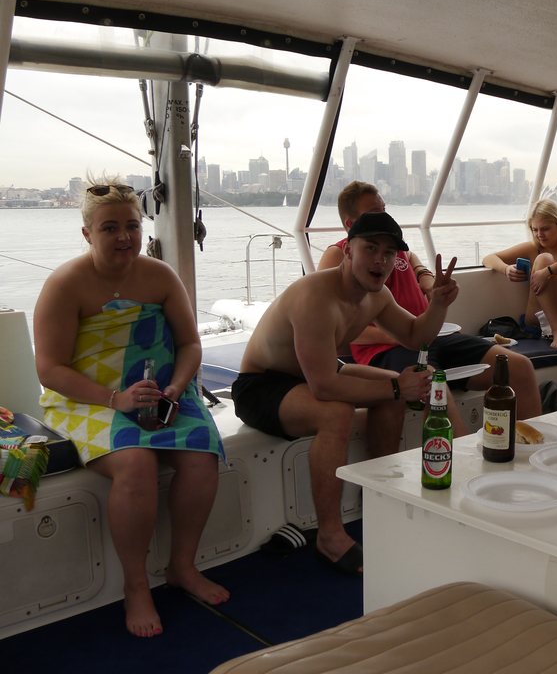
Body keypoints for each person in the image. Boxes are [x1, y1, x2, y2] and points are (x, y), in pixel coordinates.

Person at [34, 179, 227, 638]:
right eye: (109, 228)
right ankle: (136, 586)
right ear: (87, 234)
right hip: (88, 399)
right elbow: (50, 369)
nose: (124, 237)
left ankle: (182, 566)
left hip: (162, 391)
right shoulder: (65, 285)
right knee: (136, 463)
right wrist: (114, 399)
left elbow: (189, 344)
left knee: (203, 455)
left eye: (132, 226)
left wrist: (176, 388)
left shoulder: (160, 277)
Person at [233, 211, 456, 577]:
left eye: (389, 253)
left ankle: (379, 496)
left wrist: (439, 305)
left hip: (312, 375)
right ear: (348, 250)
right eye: (371, 248)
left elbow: (416, 336)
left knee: (390, 391)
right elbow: (323, 387)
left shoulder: (377, 296)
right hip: (261, 384)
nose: (380, 260)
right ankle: (330, 535)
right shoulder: (314, 296)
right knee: (338, 412)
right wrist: (397, 385)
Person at [317, 182, 542, 427]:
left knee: (519, 368)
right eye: (375, 212)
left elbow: (409, 255)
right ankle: (460, 451)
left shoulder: (392, 247)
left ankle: (531, 446)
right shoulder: (339, 255)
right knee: (435, 387)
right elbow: (338, 327)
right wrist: (398, 335)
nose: (385, 217)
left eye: (384, 210)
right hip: (387, 350)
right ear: (351, 226)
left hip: (430, 337)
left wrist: (424, 275)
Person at [482, 199, 557, 353]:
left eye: (545, 229)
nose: (539, 235)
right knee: (543, 259)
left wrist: (548, 271)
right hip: (542, 318)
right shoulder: (533, 248)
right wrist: (506, 269)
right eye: (534, 230)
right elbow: (488, 258)